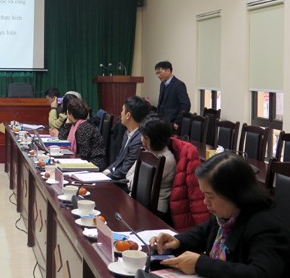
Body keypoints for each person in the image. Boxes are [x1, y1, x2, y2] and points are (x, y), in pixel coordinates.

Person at [150, 152, 290, 278]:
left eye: (210, 196)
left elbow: (260, 273)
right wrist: (177, 241)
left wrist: (200, 264)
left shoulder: (266, 226)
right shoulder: (227, 215)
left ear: (233, 194)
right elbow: (202, 232)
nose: (205, 201)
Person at [126, 114, 176, 220]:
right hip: (139, 201)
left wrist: (132, 181)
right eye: (142, 136)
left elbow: (137, 185)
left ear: (157, 139)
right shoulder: (147, 151)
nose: (142, 140)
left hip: (156, 209)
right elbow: (128, 175)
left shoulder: (167, 159)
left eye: (146, 138)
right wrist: (132, 181)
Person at [103, 96, 152, 181]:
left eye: (122, 110)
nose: (121, 113)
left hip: (123, 182)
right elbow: (119, 160)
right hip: (115, 176)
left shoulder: (139, 139)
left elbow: (125, 171)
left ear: (128, 115)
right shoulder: (127, 133)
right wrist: (107, 171)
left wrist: (106, 177)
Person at [66, 97, 107, 170]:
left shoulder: (83, 128)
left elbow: (84, 154)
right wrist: (67, 122)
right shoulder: (76, 125)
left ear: (70, 114)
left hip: (94, 164)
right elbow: (62, 139)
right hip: (87, 162)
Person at [155, 60, 191, 131]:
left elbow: (186, 105)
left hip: (172, 123)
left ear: (168, 70)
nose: (158, 75)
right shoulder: (162, 84)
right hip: (161, 122)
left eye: (159, 72)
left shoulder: (178, 85)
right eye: (157, 73)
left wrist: (177, 122)